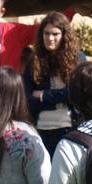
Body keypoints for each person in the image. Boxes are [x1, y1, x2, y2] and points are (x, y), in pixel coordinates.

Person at [23, 11, 84, 155]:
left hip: (70, 127)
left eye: (55, 34)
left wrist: (44, 95)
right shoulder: (34, 60)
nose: (50, 38)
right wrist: (59, 97)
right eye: (46, 33)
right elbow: (27, 97)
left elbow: (77, 93)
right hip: (40, 129)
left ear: (64, 35)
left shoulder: (78, 59)